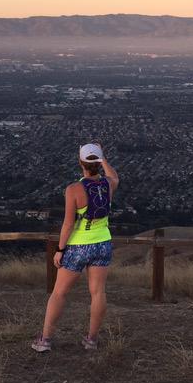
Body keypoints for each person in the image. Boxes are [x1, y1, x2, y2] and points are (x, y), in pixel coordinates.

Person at [32, 143, 119, 352]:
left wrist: (60, 250)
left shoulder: (74, 189)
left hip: (78, 246)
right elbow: (114, 176)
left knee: (59, 293)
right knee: (98, 292)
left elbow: (68, 224)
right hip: (103, 243)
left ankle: (45, 340)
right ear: (98, 163)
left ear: (80, 162)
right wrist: (102, 156)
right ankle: (91, 340)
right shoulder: (108, 184)